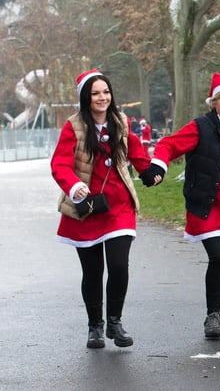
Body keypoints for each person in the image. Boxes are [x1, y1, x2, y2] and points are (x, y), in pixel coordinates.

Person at [140, 73, 220, 339]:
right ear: (214, 102)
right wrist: (158, 165)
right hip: (206, 204)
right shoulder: (200, 127)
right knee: (217, 258)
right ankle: (211, 314)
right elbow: (168, 144)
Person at [51, 69, 152, 349]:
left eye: (106, 92)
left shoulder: (120, 120)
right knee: (93, 271)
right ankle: (95, 326)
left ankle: (115, 322)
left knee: (119, 265)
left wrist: (150, 170)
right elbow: (59, 164)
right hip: (87, 208)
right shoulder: (73, 126)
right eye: (95, 93)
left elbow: (136, 153)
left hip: (119, 205)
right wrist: (73, 186)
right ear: (86, 97)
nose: (102, 97)